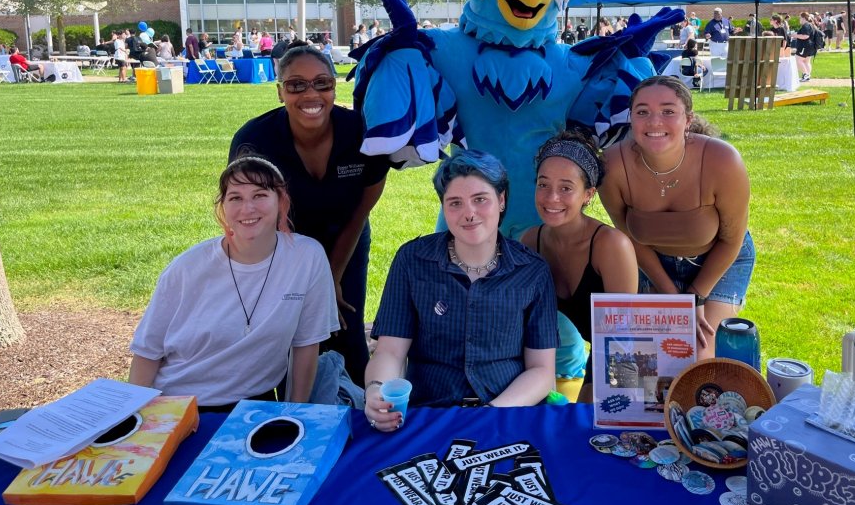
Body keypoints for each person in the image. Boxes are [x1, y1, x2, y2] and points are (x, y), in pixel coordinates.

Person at [365, 150, 557, 430]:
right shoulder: (412, 261)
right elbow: (390, 352)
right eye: (455, 203)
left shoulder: (532, 271)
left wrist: (490, 414)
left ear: (501, 200)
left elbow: (542, 371)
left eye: (480, 199)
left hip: (507, 413)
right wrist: (376, 391)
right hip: (430, 413)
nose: (469, 213)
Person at [230, 44, 388, 385]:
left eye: (322, 83)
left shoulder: (361, 133)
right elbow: (248, 215)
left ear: (335, 86)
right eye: (296, 85)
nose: (310, 94)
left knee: (344, 326)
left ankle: (358, 410)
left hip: (346, 234)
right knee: (288, 329)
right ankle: (288, 414)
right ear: (279, 91)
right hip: (281, 243)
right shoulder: (255, 141)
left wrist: (331, 275)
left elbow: (363, 206)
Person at [128, 156, 336, 410]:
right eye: (235, 198)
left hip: (253, 405)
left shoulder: (307, 257)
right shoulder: (186, 269)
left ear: (281, 201)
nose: (247, 208)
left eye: (259, 195)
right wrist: (136, 418)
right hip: (177, 404)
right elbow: (148, 352)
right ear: (223, 207)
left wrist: (294, 412)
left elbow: (306, 343)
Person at [599, 76, 755, 359]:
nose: (655, 122)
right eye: (643, 112)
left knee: (698, 355)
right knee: (650, 357)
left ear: (688, 119)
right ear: (631, 119)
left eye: (668, 111)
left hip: (720, 259)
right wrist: (672, 297)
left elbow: (732, 240)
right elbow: (631, 239)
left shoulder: (723, 161)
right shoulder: (611, 166)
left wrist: (695, 297)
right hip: (653, 263)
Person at [520, 131, 637, 401]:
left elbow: (623, 340)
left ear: (588, 194)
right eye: (543, 184)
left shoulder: (610, 246)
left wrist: (597, 397)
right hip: (590, 353)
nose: (551, 198)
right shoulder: (530, 241)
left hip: (628, 356)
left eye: (566, 188)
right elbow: (523, 322)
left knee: (586, 421)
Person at [792, 11, 817, 82]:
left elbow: (806, 36)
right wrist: (797, 34)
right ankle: (807, 76)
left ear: (803, 18)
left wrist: (795, 35)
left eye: (800, 18)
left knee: (798, 60)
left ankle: (806, 75)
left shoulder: (806, 25)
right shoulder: (810, 25)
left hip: (804, 46)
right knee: (806, 61)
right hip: (810, 46)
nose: (799, 19)